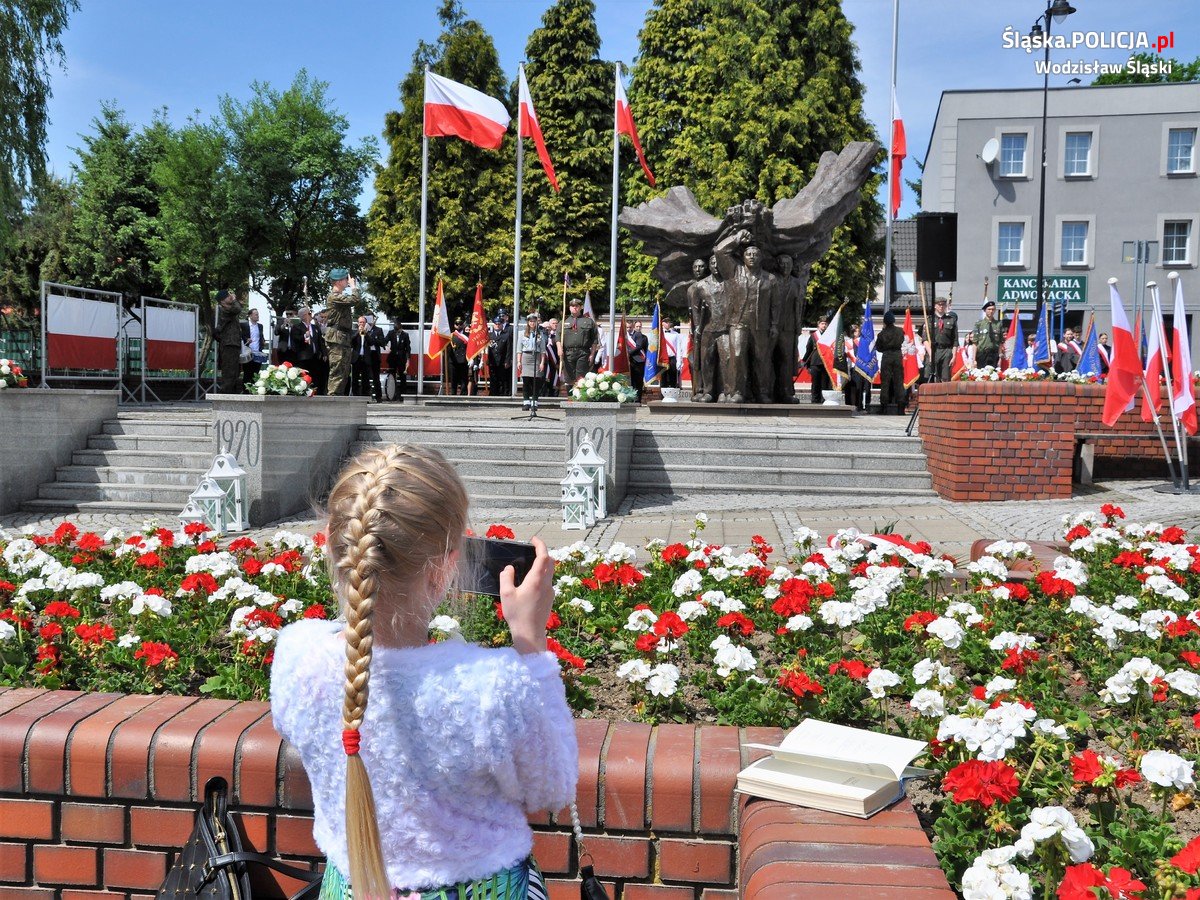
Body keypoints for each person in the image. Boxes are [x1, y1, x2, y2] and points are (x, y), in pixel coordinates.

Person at [271, 445, 575, 900]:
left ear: (336, 543)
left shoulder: (297, 655)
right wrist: (530, 643)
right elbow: (553, 788)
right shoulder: (490, 686)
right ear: (445, 568)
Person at [325, 269, 358, 396]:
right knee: (337, 370)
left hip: (343, 337)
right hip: (336, 337)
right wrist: (353, 287)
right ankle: (333, 397)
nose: (348, 281)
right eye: (345, 279)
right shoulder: (334, 296)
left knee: (344, 371)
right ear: (339, 281)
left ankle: (338, 396)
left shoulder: (339, 295)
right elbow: (355, 299)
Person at [560, 298, 597, 388]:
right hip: (568, 353)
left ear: (581, 307)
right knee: (569, 378)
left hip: (583, 352)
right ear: (569, 308)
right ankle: (570, 400)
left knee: (581, 378)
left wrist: (592, 354)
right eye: (572, 306)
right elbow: (558, 338)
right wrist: (559, 349)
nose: (574, 308)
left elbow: (594, 340)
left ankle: (579, 400)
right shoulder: (564, 322)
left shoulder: (588, 321)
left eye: (577, 306)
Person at [876, 310, 906, 414]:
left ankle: (884, 407)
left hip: (887, 356)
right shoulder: (900, 331)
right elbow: (902, 341)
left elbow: (878, 348)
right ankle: (901, 408)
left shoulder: (881, 334)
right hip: (897, 356)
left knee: (885, 382)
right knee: (899, 381)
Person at [517, 313, 548, 410]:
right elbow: (519, 349)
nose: (532, 323)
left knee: (536, 381)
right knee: (526, 381)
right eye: (530, 321)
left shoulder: (540, 333)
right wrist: (519, 361)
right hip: (526, 357)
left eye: (534, 321)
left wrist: (542, 362)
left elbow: (543, 350)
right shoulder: (522, 333)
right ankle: (526, 402)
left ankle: (534, 402)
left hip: (536, 357)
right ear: (528, 322)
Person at [215, 289, 243, 394]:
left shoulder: (230, 310)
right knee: (229, 372)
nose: (230, 297)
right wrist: (235, 299)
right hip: (228, 344)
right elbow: (238, 308)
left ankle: (231, 395)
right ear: (222, 301)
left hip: (233, 344)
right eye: (228, 296)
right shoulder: (225, 310)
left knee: (235, 372)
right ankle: (224, 396)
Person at [927, 297, 958, 382]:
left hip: (947, 350)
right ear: (935, 306)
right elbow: (925, 339)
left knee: (946, 378)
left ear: (946, 306)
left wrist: (954, 355)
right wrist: (930, 354)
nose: (941, 306)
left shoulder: (951, 320)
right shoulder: (929, 320)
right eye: (939, 305)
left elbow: (955, 340)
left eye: (943, 304)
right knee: (934, 377)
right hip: (934, 350)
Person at [350, 316, 379, 401]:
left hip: (365, 358)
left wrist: (365, 334)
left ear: (365, 323)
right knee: (355, 379)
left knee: (365, 380)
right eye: (360, 322)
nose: (361, 324)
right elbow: (351, 341)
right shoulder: (354, 332)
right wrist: (357, 333)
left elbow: (371, 343)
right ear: (358, 323)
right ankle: (355, 397)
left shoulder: (368, 333)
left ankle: (365, 398)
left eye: (363, 322)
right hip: (356, 358)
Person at [803, 316, 830, 404]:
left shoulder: (829, 335)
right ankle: (815, 400)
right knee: (815, 383)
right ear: (818, 325)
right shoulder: (814, 336)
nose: (824, 325)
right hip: (815, 363)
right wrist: (805, 362)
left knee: (824, 384)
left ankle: (823, 400)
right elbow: (809, 350)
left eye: (825, 324)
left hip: (825, 363)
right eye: (822, 323)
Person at [293, 307, 324, 380]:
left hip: (316, 357)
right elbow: (296, 339)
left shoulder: (315, 327)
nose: (311, 315)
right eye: (309, 314)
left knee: (316, 378)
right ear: (304, 316)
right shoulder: (297, 327)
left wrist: (324, 353)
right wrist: (305, 336)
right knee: (305, 378)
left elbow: (320, 341)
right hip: (304, 357)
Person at [240, 307, 268, 386]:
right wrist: (246, 339)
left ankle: (253, 392)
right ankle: (246, 392)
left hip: (257, 353)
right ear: (250, 316)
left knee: (255, 374)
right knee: (247, 373)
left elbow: (260, 336)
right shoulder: (244, 325)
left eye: (258, 314)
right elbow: (241, 335)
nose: (257, 316)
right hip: (248, 352)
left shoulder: (260, 326)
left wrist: (263, 341)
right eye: (256, 315)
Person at [384, 324, 411, 402]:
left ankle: (402, 396)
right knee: (392, 377)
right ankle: (392, 394)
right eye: (396, 331)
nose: (397, 333)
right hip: (392, 358)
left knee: (403, 377)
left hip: (402, 358)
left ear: (401, 329)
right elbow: (385, 341)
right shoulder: (391, 333)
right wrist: (387, 346)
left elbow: (408, 348)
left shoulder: (405, 335)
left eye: (398, 331)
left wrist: (408, 359)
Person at [972, 300, 1002, 369]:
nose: (991, 311)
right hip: (982, 353)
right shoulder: (979, 324)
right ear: (985, 310)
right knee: (981, 376)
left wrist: (1000, 358)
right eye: (989, 309)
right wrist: (974, 359)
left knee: (994, 376)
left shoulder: (998, 324)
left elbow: (1000, 342)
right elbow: (975, 343)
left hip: (994, 354)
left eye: (993, 309)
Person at [628, 321, 648, 402]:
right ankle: (632, 398)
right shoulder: (626, 336)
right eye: (627, 327)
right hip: (630, 361)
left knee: (638, 382)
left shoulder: (639, 335)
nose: (628, 329)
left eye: (630, 327)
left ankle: (637, 400)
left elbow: (639, 347)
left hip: (638, 361)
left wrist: (629, 353)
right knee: (631, 382)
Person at [540, 318, 561, 397]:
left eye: (556, 323)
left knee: (554, 382)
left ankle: (554, 397)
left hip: (555, 363)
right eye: (553, 323)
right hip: (545, 363)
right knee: (544, 381)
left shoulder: (558, 336)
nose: (555, 325)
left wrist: (558, 362)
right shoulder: (543, 336)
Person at [448, 319, 469, 395]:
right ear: (454, 325)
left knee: (464, 380)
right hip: (453, 361)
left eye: (460, 324)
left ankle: (463, 395)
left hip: (463, 360)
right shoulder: (451, 336)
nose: (458, 325)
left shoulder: (467, 336)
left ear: (463, 325)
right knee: (454, 379)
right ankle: (453, 395)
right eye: (457, 324)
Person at [368, 315, 386, 402]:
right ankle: (366, 396)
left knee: (376, 377)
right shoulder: (363, 329)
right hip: (366, 354)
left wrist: (373, 339)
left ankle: (378, 397)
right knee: (366, 376)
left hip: (375, 354)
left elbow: (382, 342)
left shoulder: (378, 330)